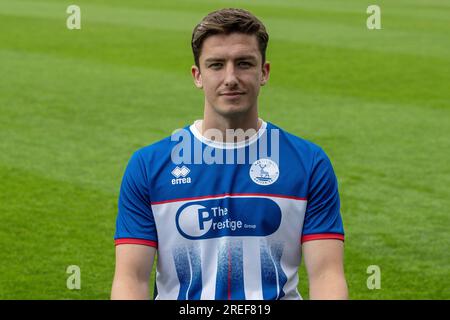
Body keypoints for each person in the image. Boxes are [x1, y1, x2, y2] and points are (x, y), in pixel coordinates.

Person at [111, 8, 348, 300]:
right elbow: (131, 279)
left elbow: (327, 276)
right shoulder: (149, 166)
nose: (231, 77)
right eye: (216, 65)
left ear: (264, 72)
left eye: (244, 63)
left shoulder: (308, 163)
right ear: (198, 76)